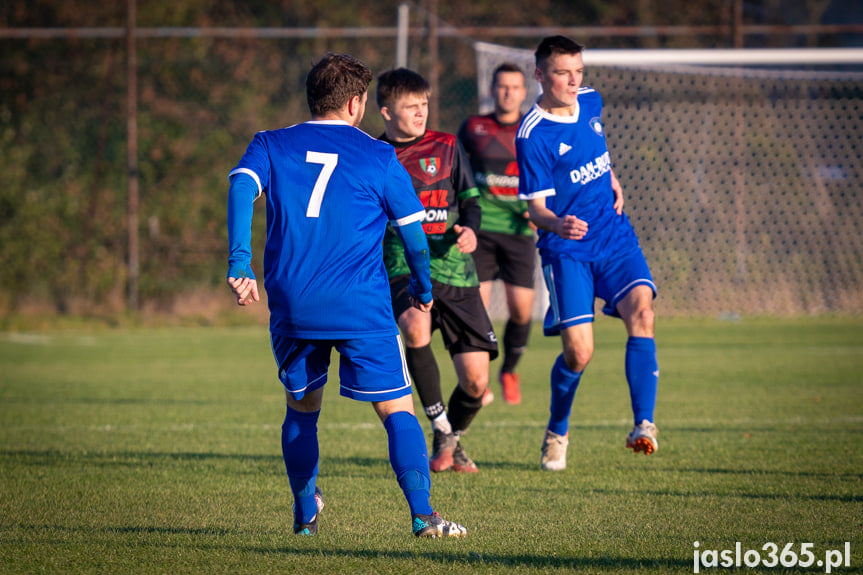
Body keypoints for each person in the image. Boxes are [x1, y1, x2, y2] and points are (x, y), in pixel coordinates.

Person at [225, 53, 466, 538]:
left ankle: (304, 514)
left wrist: (239, 261)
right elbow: (414, 236)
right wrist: (422, 288)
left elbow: (239, 185)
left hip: (294, 304)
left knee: (302, 410)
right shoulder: (379, 155)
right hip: (362, 307)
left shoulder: (270, 143)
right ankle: (423, 515)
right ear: (357, 103)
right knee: (397, 410)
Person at [516, 36, 660, 471]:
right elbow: (535, 209)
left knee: (644, 313)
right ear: (540, 74)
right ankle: (557, 430)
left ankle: (643, 425)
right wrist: (557, 223)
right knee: (579, 353)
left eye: (578, 71)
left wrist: (612, 177)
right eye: (563, 73)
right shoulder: (532, 135)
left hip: (614, 237)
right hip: (567, 249)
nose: (574, 80)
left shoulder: (592, 102)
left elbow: (596, 154)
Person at [376, 68, 498, 474]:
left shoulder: (447, 145)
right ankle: (440, 424)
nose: (420, 113)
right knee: (414, 324)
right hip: (402, 263)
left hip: (456, 269)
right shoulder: (374, 155)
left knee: (477, 383)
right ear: (386, 113)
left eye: (424, 105)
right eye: (410, 107)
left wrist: (471, 230)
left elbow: (472, 203)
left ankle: (449, 440)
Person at [458, 63, 535, 406]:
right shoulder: (473, 127)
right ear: (492, 89)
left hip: (520, 233)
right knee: (479, 309)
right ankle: (481, 379)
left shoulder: (534, 130)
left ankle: (510, 370)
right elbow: (456, 171)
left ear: (523, 92)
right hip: (482, 232)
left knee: (521, 312)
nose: (507, 92)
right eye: (502, 86)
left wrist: (543, 211)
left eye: (514, 87)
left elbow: (552, 174)